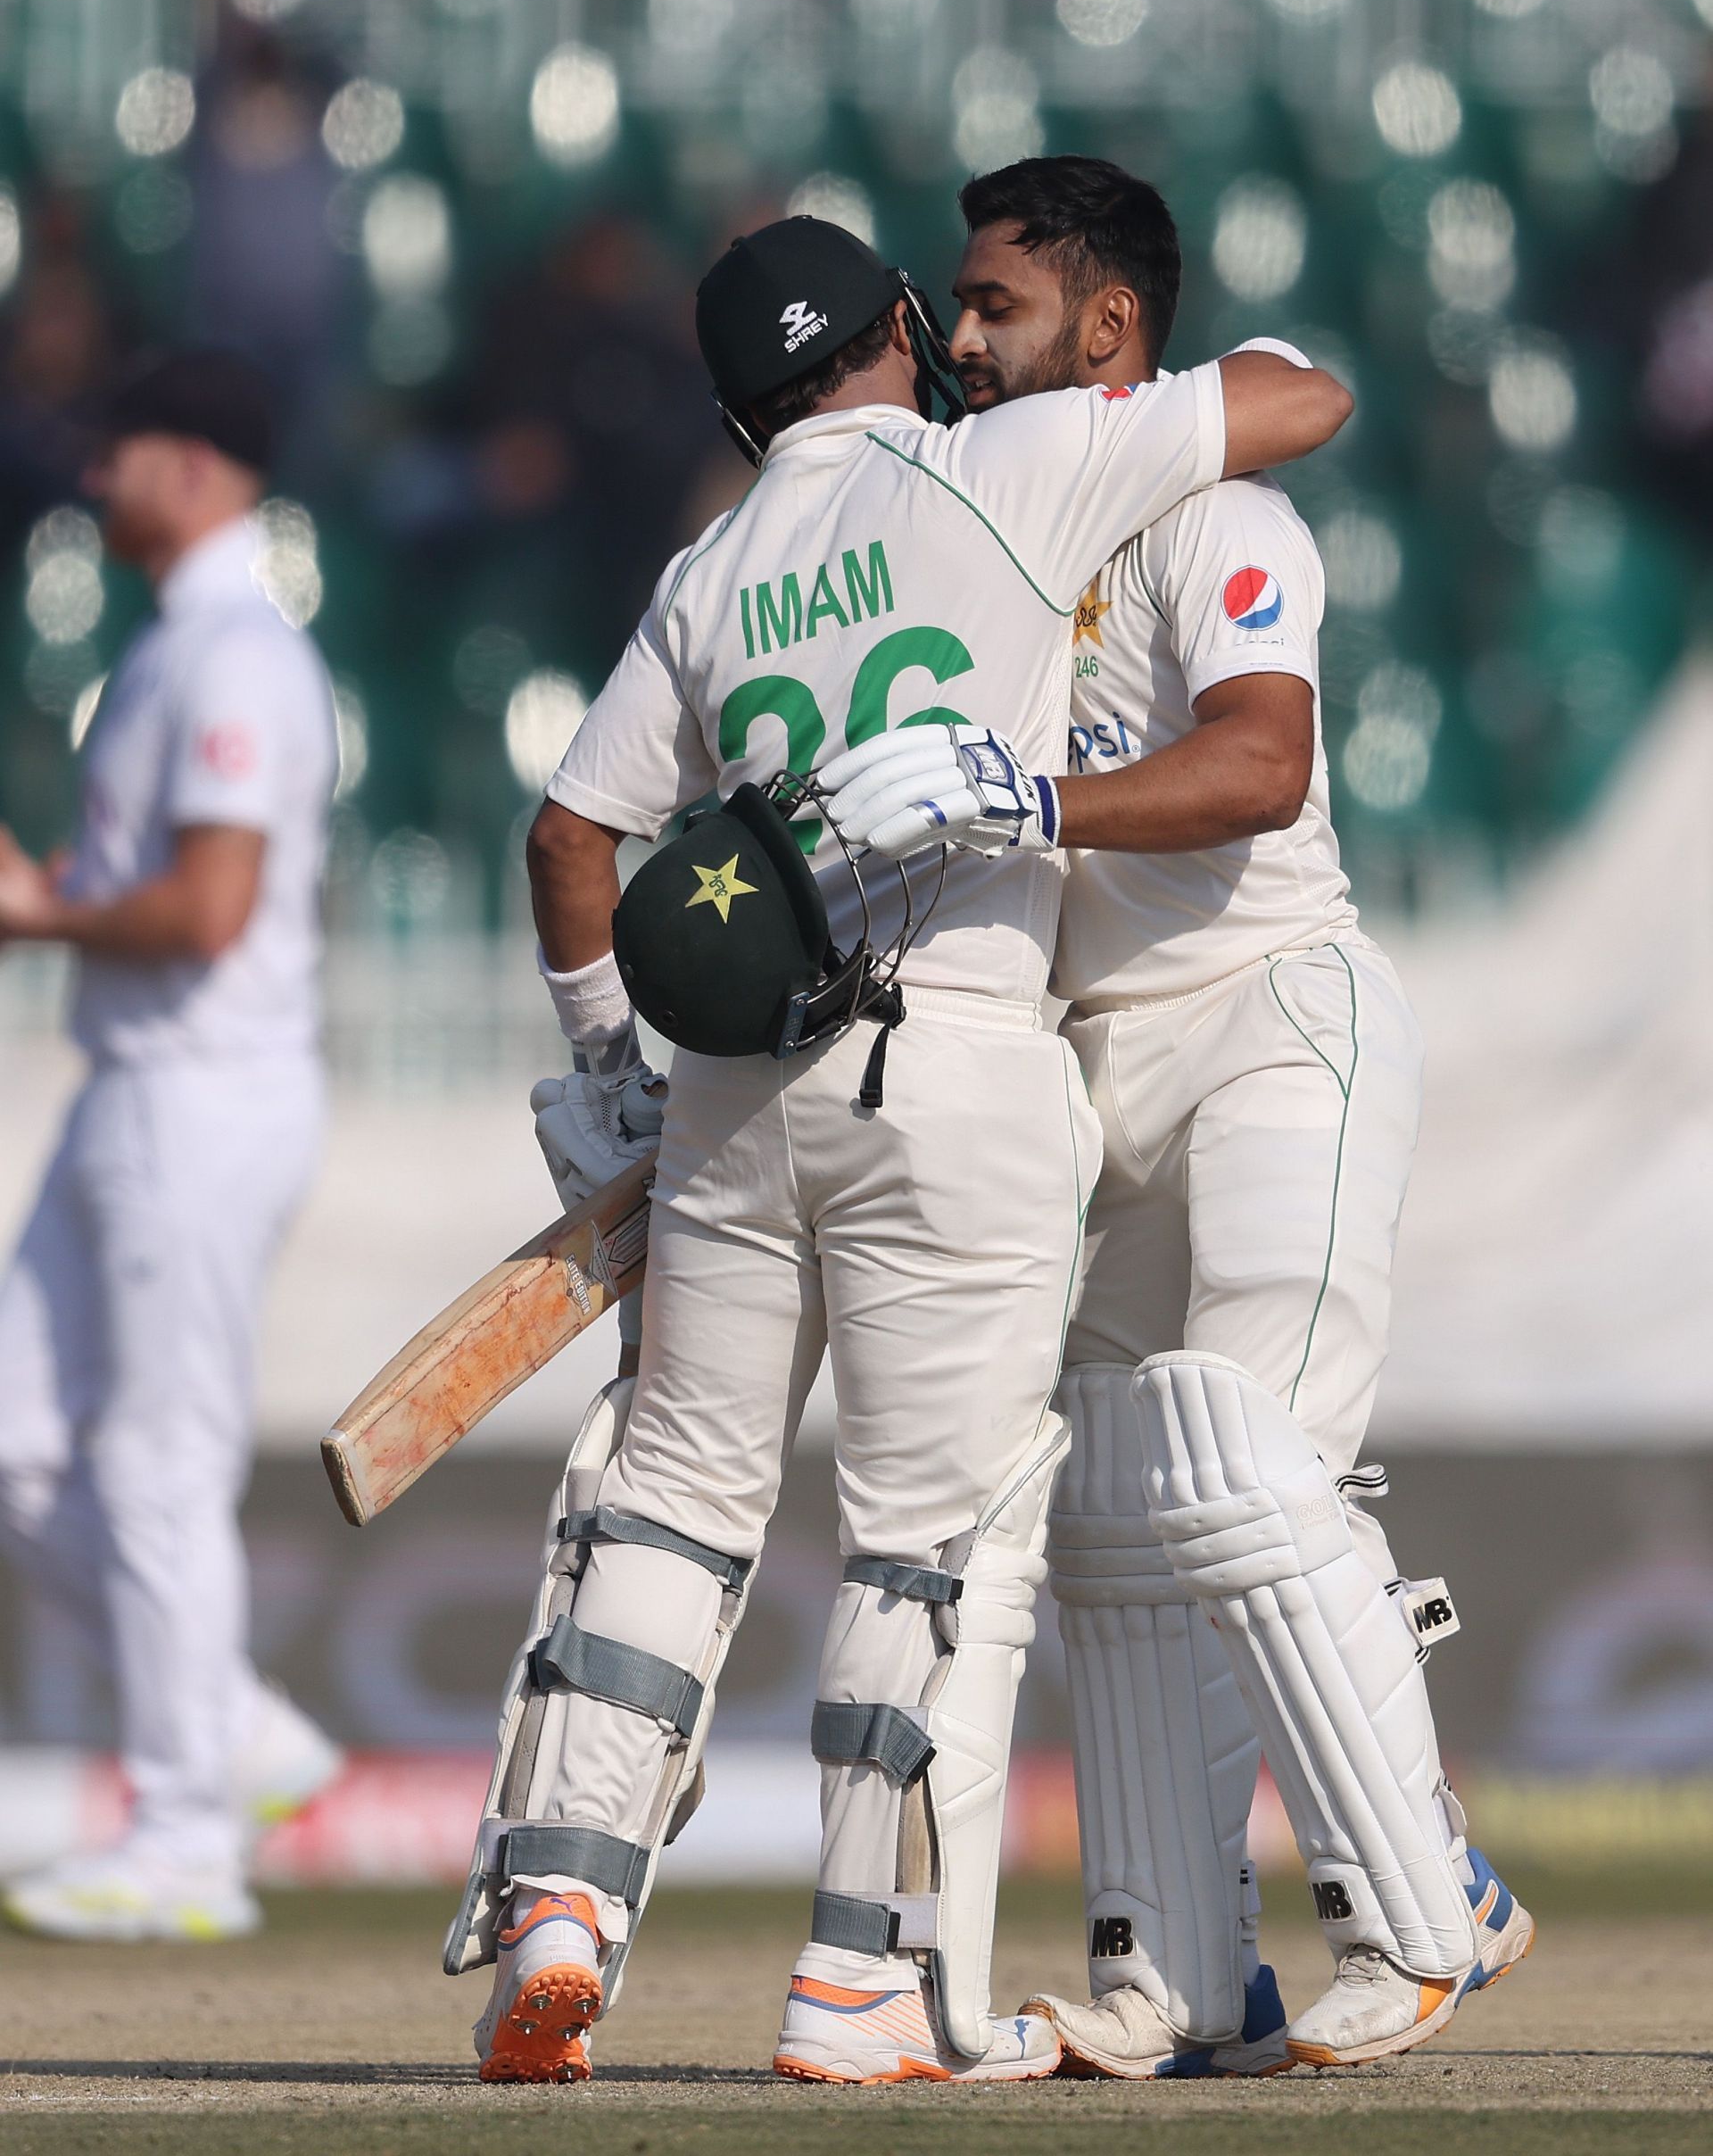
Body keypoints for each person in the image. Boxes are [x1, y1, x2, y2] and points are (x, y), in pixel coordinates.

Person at [445, 212, 1352, 2086]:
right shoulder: (1011, 457)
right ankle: (863, 1976)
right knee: (930, 1543)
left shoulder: (711, 564)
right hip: (948, 1065)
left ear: (733, 402)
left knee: (679, 1504)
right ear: (915, 333)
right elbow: (1304, 398)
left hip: (723, 1096)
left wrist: (613, 1068)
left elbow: (566, 840)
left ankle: (562, 1902)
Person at [825, 155, 1534, 2078]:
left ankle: (1423, 1896)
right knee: (1126, 1503)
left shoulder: (1215, 507)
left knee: (1245, 1457)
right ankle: (1176, 1969)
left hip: (1271, 1017)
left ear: (1108, 326)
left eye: (994, 308)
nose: (959, 343)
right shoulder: (977, 537)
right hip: (1095, 1067)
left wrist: (1029, 801)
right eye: (954, 314)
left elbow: (1257, 759)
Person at [0, 348, 342, 1941]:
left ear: (197, 465)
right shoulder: (176, 652)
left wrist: (41, 910)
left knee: (155, 1460)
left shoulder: (237, 661)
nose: (93, 473)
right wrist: (64, 896)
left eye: (121, 446)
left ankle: (187, 1837)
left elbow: (204, 913)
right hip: (131, 1085)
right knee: (16, 1438)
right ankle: (236, 1732)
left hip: (201, 1089)